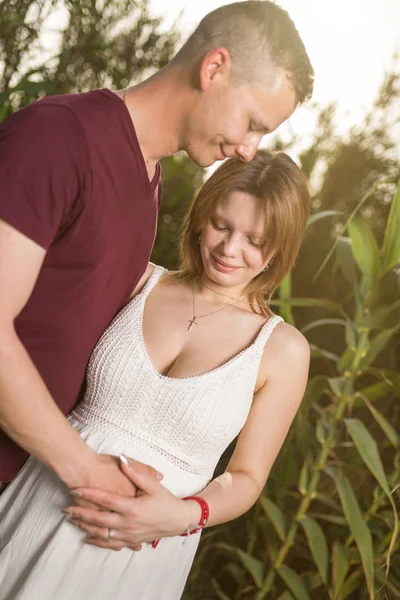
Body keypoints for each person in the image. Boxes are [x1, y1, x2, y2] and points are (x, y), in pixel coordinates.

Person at [0, 1, 313, 503]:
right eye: (253, 122)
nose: (250, 148)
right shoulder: (58, 137)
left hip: (22, 484)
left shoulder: (147, 181)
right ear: (214, 68)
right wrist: (84, 466)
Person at [0, 149, 311, 599]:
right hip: (42, 501)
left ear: (280, 248)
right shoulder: (136, 281)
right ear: (201, 216)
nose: (229, 249)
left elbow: (246, 477)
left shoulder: (282, 350)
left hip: (141, 552)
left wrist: (186, 515)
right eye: (221, 225)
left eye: (254, 240)